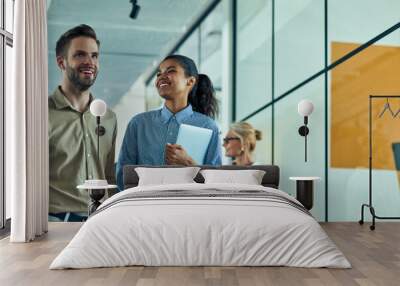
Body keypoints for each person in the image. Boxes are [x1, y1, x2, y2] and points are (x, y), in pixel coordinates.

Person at [116, 54, 222, 190]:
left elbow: (217, 181)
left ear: (190, 81)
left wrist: (188, 163)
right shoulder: (139, 124)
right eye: (159, 73)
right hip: (146, 206)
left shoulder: (208, 126)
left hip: (191, 205)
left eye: (170, 71)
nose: (161, 76)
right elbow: (122, 176)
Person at [48, 24, 117, 222]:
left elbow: (109, 174)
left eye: (94, 56)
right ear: (62, 63)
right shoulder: (41, 113)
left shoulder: (109, 117)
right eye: (80, 55)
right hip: (55, 221)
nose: (89, 62)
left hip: (100, 221)